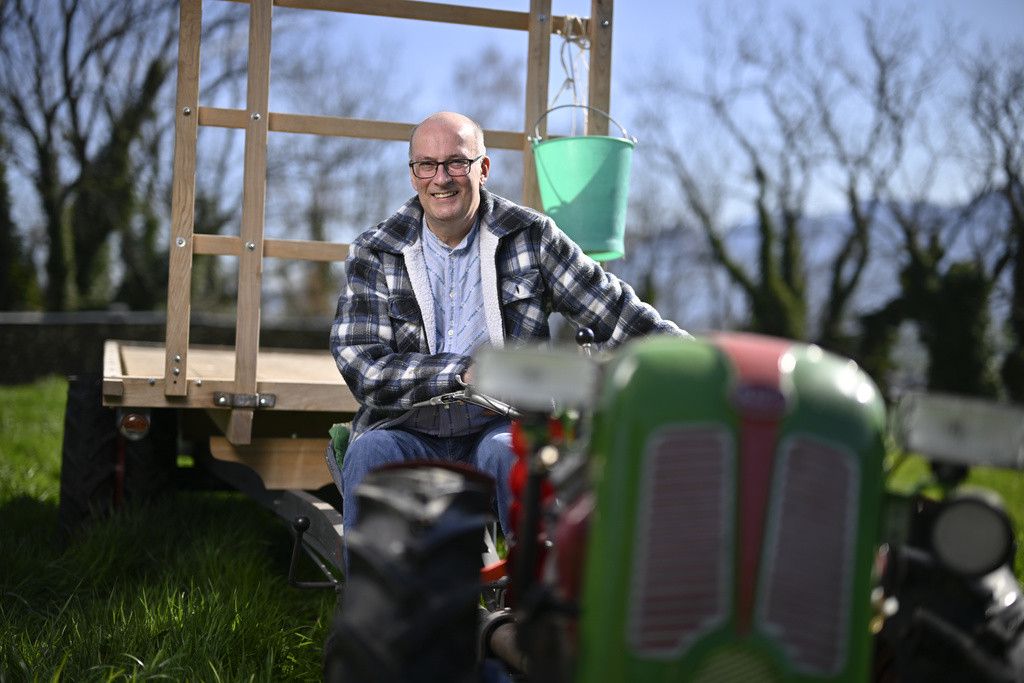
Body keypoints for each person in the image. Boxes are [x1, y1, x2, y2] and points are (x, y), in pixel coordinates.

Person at [329, 111, 685, 541]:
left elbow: (614, 311)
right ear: (413, 175)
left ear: (483, 168)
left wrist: (698, 365)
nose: (442, 178)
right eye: (427, 165)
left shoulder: (531, 236)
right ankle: (378, 607)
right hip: (403, 426)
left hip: (501, 421)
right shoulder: (376, 250)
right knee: (370, 455)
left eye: (457, 162)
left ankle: (530, 601)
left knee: (517, 457)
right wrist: (462, 373)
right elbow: (362, 366)